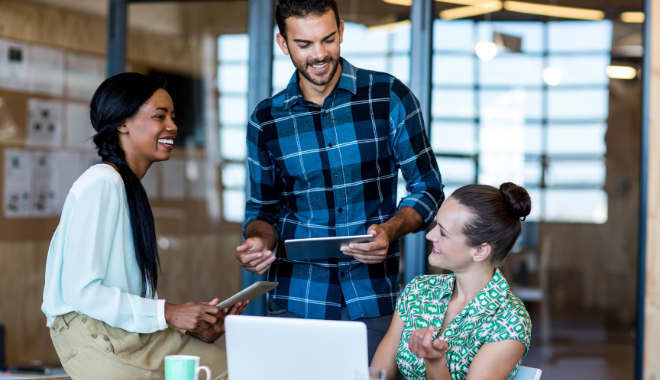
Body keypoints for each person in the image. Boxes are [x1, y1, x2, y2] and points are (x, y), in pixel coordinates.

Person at [235, 0, 444, 362]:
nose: (320, 54)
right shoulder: (266, 120)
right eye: (304, 44)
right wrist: (258, 241)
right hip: (296, 298)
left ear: (342, 31)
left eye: (328, 39)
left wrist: (390, 230)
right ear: (283, 43)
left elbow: (427, 189)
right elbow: (263, 209)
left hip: (372, 298)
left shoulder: (388, 97)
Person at [42, 73, 246, 380]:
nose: (172, 126)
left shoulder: (125, 185)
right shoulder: (103, 182)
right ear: (122, 124)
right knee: (242, 369)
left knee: (243, 361)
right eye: (159, 116)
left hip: (128, 335)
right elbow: (81, 291)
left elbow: (126, 300)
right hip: (97, 339)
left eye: (173, 117)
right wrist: (169, 312)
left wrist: (197, 330)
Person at [371, 183, 533, 380]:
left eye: (443, 233)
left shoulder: (510, 320)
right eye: (435, 225)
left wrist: (435, 361)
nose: (430, 235)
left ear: (480, 251)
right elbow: (377, 375)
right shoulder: (419, 290)